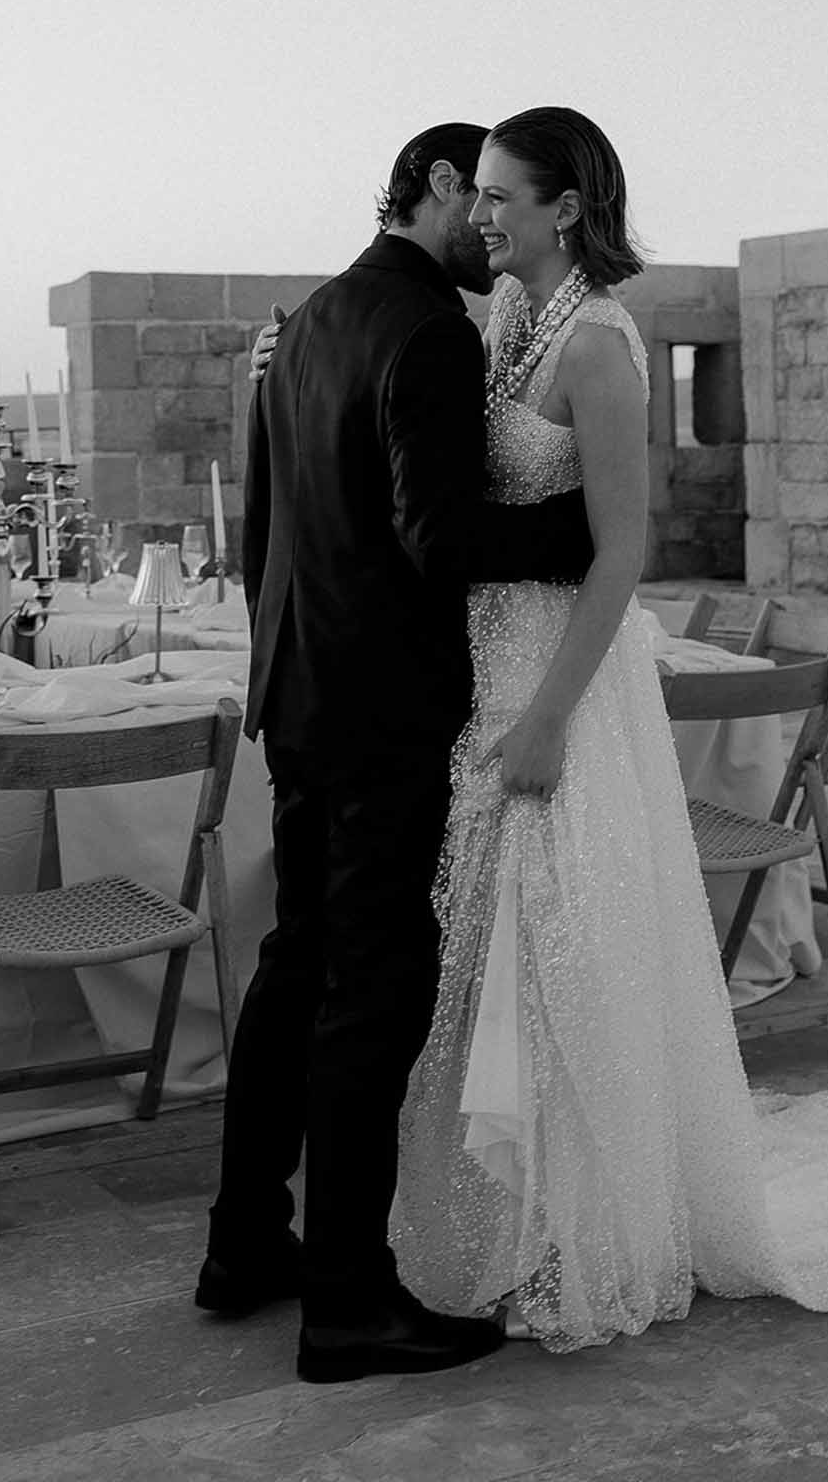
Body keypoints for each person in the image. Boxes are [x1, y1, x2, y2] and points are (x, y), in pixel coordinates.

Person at [252, 109, 828, 1355]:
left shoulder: (600, 343)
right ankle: (498, 1217)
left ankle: (585, 1225)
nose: (478, 213)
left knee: (562, 951)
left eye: (499, 195)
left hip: (551, 688)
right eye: (474, 193)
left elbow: (621, 553)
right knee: (479, 964)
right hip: (475, 677)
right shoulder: (499, 323)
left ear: (565, 209)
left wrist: (549, 715)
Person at [198, 122, 595, 1385]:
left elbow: (263, 525)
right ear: (435, 183)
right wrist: (579, 526)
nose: (485, 228)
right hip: (379, 711)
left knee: (293, 966)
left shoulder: (309, 318)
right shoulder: (425, 329)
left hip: (296, 691)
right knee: (374, 992)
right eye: (476, 198)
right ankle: (347, 1301)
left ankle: (243, 1243)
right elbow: (441, 538)